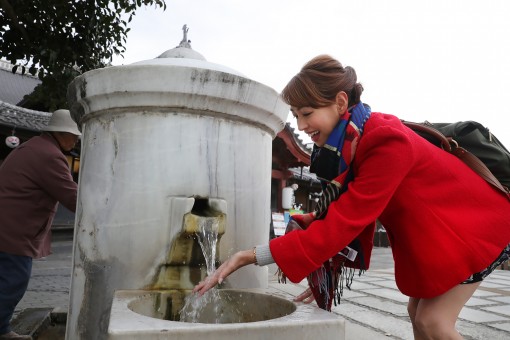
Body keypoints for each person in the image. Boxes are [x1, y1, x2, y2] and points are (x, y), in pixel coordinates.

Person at [193, 55, 510, 340]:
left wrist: (251, 255)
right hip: (443, 236)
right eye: (295, 115)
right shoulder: (359, 141)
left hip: (475, 228)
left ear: (340, 103)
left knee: (433, 322)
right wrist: (319, 264)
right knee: (418, 316)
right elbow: (341, 210)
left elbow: (344, 221)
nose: (301, 126)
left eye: (307, 113)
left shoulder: (385, 141)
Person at [0, 109, 81, 339]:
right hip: (13, 229)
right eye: (73, 135)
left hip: (7, 224)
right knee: (13, 281)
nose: (75, 140)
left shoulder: (35, 146)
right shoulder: (50, 155)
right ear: (60, 133)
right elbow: (73, 197)